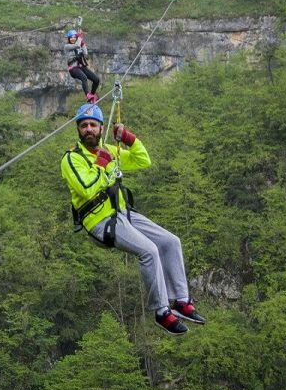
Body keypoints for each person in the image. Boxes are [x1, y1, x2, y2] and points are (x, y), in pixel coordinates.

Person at [60, 103, 206, 335]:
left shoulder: (108, 149)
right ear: (78, 129)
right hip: (100, 221)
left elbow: (142, 160)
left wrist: (127, 138)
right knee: (149, 251)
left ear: (101, 128)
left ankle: (181, 300)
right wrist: (102, 163)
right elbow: (87, 189)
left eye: (93, 125)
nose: (89, 129)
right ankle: (161, 312)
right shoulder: (72, 159)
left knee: (170, 242)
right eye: (84, 125)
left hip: (122, 213)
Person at [64, 29, 100, 103]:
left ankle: (92, 95)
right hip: (73, 69)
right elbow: (77, 45)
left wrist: (86, 54)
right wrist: (79, 37)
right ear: (69, 39)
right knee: (84, 77)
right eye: (71, 37)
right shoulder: (67, 46)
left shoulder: (79, 43)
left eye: (74, 37)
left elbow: (82, 44)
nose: (73, 39)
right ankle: (87, 95)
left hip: (81, 67)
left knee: (96, 80)